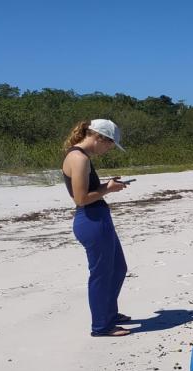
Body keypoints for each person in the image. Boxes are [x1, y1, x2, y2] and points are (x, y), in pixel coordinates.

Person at [61, 119, 132, 337]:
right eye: (110, 144)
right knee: (101, 274)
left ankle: (108, 313)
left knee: (118, 268)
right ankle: (102, 325)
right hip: (91, 220)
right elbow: (81, 198)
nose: (109, 149)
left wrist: (106, 186)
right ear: (99, 137)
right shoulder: (79, 158)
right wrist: (108, 190)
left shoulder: (81, 157)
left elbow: (87, 191)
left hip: (96, 218)